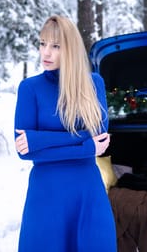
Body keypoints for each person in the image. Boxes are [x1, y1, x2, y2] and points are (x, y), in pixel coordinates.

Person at [14, 15, 117, 252]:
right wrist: (86, 145)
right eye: (42, 44)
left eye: (55, 46)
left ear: (70, 48)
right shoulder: (29, 89)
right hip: (46, 193)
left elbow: (99, 137)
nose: (46, 53)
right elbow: (26, 152)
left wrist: (39, 138)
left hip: (86, 191)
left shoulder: (94, 84)